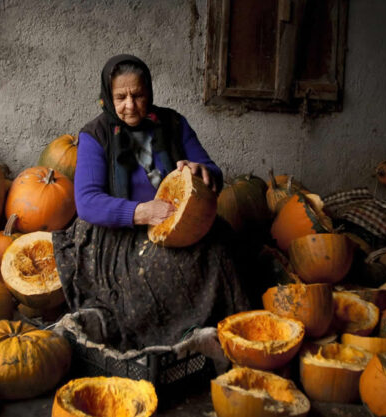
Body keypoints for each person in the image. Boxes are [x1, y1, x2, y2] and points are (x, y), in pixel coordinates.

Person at [53, 54, 248, 351]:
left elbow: (214, 172)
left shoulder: (173, 123)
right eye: (120, 97)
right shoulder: (95, 135)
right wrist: (140, 212)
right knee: (163, 266)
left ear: (150, 92)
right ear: (108, 96)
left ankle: (219, 335)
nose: (130, 105)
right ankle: (171, 341)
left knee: (220, 246)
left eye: (138, 95)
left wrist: (203, 173)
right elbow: (88, 203)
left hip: (177, 219)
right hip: (117, 232)